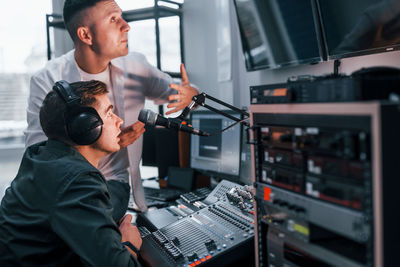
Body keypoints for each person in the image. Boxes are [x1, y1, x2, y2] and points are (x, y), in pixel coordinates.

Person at [25, 0, 198, 218]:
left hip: (117, 186)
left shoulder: (137, 65)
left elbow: (180, 93)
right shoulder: (47, 79)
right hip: (71, 186)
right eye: (113, 19)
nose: (126, 26)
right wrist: (105, 145)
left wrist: (191, 95)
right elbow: (38, 154)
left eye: (122, 16)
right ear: (86, 35)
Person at [0, 80, 142, 266]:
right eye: (109, 113)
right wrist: (130, 243)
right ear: (86, 126)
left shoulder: (40, 156)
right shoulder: (77, 180)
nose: (119, 120)